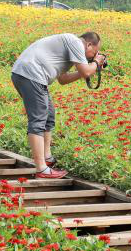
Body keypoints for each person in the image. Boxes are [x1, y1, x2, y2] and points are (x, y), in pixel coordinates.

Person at [10, 31, 106, 178]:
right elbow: (86, 72)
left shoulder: (68, 50)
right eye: (94, 52)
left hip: (29, 74)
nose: (92, 56)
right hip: (32, 74)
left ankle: (46, 159)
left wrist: (91, 67)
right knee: (38, 120)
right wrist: (96, 63)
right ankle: (41, 169)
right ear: (88, 44)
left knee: (49, 115)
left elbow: (63, 79)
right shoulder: (75, 42)